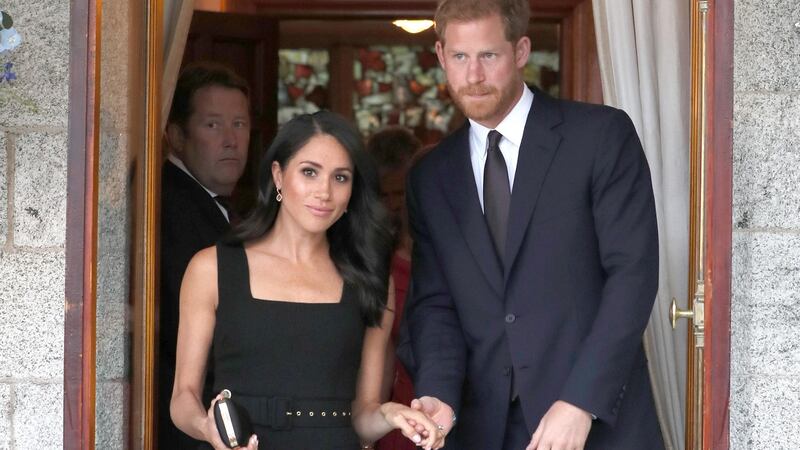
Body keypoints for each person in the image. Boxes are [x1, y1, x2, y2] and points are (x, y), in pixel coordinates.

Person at [400, 0, 664, 449]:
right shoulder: (432, 176)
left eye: (489, 55)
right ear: (442, 56)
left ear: (521, 51)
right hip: (484, 432)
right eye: (460, 57)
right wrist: (438, 394)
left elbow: (633, 276)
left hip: (597, 426)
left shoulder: (600, 137)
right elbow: (435, 304)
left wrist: (581, 402)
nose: (474, 75)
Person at [170, 111, 447, 450]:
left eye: (341, 178)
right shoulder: (211, 268)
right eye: (309, 172)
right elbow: (183, 398)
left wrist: (392, 415)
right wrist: (206, 427)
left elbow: (363, 416)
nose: (324, 192)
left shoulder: (370, 278)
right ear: (278, 176)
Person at [160, 62, 252, 448]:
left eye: (240, 124)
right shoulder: (168, 205)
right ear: (177, 135)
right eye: (213, 125)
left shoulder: (218, 206)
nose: (231, 140)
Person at [366, 127, 422, 450]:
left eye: (400, 194)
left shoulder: (443, 251)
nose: (393, 206)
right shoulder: (371, 261)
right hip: (388, 412)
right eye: (383, 196)